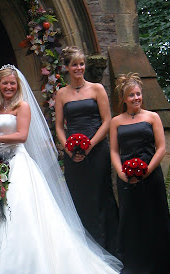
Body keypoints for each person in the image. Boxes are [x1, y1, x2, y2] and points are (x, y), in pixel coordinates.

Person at [0, 65, 122, 274]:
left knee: (23, 216)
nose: (9, 87)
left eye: (12, 83)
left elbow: (21, 136)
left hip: (19, 163)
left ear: (17, 85)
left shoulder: (23, 106)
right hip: (1, 167)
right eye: (5, 83)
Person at [110, 72, 170, 274]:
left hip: (151, 178)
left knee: (154, 222)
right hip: (127, 180)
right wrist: (122, 173)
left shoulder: (153, 117)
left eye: (138, 94)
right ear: (124, 98)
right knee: (133, 226)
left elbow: (161, 147)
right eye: (131, 95)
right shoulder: (116, 122)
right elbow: (114, 150)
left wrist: (147, 170)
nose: (136, 98)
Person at [55, 46, 119, 254]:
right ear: (66, 67)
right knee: (79, 198)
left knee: (101, 195)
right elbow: (59, 126)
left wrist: (89, 145)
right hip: (73, 155)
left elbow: (107, 120)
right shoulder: (61, 94)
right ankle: (85, 251)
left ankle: (110, 248)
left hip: (97, 149)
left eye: (81, 64)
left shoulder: (97, 89)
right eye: (74, 64)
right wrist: (69, 148)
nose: (79, 68)